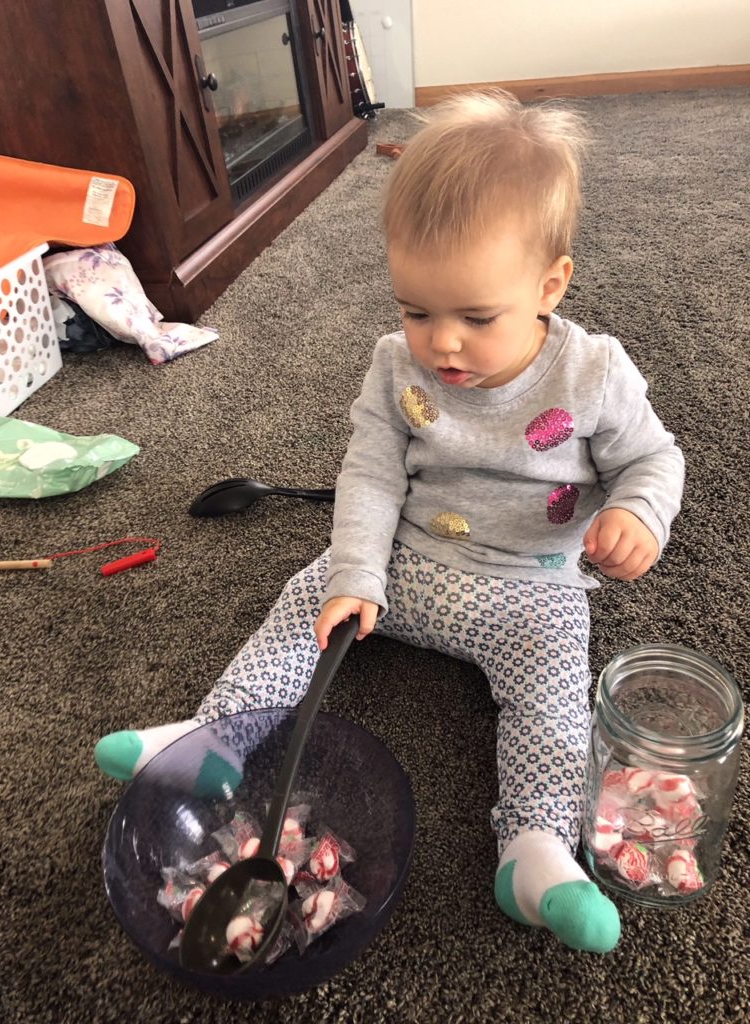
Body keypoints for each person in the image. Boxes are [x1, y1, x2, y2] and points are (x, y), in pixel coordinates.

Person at [95, 90, 685, 954]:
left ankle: (534, 849)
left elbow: (655, 458)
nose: (440, 345)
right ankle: (215, 736)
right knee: (306, 599)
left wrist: (639, 510)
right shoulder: (393, 365)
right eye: (416, 309)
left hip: (532, 590)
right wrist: (356, 576)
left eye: (475, 318)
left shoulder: (594, 375)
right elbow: (368, 474)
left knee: (559, 700)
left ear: (550, 283)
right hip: (405, 570)